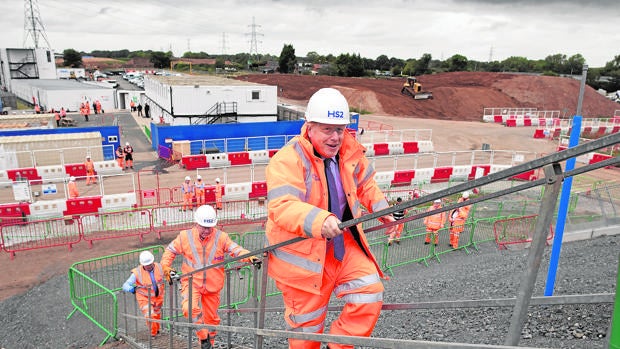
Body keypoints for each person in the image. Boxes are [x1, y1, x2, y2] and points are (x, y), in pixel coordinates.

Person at [265, 87, 396, 349]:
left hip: (342, 246)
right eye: (327, 130)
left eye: (340, 129)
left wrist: (385, 210)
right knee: (307, 332)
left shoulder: (349, 151)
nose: (336, 137)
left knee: (369, 292)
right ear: (309, 127)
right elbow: (282, 206)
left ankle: (337, 346)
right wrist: (319, 220)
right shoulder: (287, 160)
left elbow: (366, 184)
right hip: (303, 259)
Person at [160, 205, 260, 349]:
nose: (207, 230)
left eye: (210, 227)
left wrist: (249, 257)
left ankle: (208, 345)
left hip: (213, 285)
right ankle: (203, 337)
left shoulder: (221, 237)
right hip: (191, 282)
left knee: (212, 319)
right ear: (196, 223)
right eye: (204, 227)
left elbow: (235, 250)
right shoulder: (184, 237)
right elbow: (169, 252)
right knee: (189, 308)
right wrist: (166, 268)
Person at [121, 251, 165, 338]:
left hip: (158, 297)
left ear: (153, 261)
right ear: (142, 264)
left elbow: (168, 273)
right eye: (146, 264)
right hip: (144, 298)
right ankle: (153, 334)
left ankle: (157, 330)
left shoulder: (160, 267)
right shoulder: (137, 272)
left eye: (150, 264)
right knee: (150, 315)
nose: (148, 266)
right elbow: (125, 285)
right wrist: (132, 289)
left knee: (157, 315)